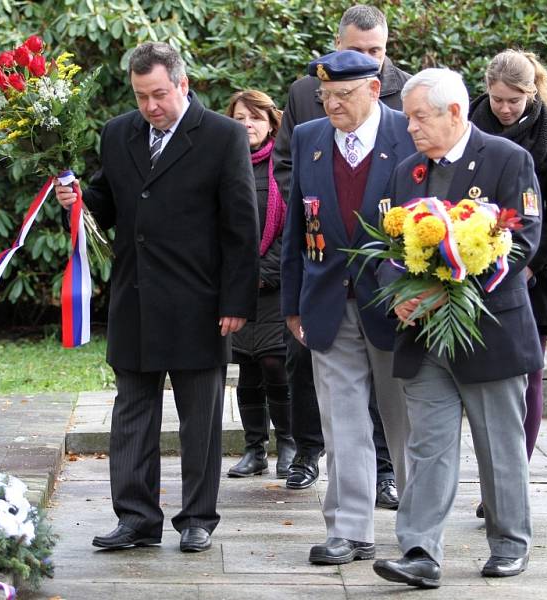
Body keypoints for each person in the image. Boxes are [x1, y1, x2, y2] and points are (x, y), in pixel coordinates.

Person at [54, 42, 259, 553]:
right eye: (142, 96)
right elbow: (105, 203)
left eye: (160, 95)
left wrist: (236, 301)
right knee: (130, 415)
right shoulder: (118, 132)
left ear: (183, 85)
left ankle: (197, 518)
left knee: (200, 419)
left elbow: (241, 225)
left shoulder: (223, 136)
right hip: (135, 298)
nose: (151, 107)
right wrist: (76, 202)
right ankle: (136, 518)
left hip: (200, 302)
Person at [373, 67, 542, 588]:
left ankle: (510, 542)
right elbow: (388, 245)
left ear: (454, 112)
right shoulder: (407, 171)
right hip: (424, 336)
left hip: (489, 329)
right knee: (428, 446)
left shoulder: (508, 159)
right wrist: (399, 295)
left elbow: (523, 239)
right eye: (408, 118)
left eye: (420, 118)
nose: (412, 128)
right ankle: (421, 551)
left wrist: (450, 283)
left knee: (500, 446)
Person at [280, 50, 414, 565]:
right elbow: (298, 225)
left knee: (405, 424)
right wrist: (292, 303)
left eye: (343, 95)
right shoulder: (308, 138)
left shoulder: (407, 134)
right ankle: (349, 531)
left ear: (374, 90)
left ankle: (416, 529)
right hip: (327, 302)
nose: (331, 104)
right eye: (325, 96)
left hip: (398, 306)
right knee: (341, 422)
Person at [468, 49, 547, 518]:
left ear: (533, 92)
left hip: (532, 275)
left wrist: (528, 262)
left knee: (528, 383)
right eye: (498, 99)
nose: (505, 108)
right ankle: (491, 477)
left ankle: (509, 487)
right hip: (468, 268)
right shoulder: (467, 124)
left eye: (516, 100)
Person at [224, 90, 296, 478]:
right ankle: (254, 448)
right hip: (236, 285)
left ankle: (288, 443)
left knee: (275, 363)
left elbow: (293, 224)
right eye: (239, 118)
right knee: (247, 368)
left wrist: (266, 270)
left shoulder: (283, 165)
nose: (247, 125)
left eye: (254, 118)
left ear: (270, 123)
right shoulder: (222, 163)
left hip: (275, 283)